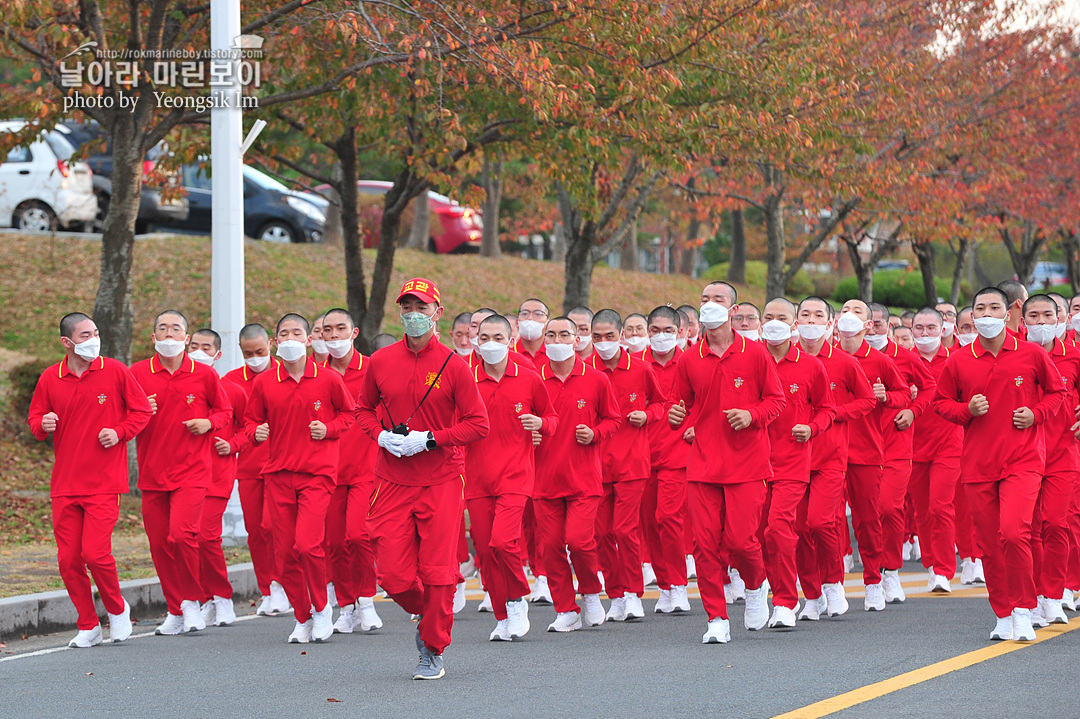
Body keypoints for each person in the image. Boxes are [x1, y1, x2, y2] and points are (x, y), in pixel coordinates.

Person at [355, 278, 489, 680]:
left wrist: (431, 439)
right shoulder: (380, 362)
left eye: (422, 307)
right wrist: (379, 435)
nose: (414, 314)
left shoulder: (454, 364)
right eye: (407, 307)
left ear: (437, 313)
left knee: (438, 571)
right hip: (392, 479)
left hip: (441, 479)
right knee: (392, 575)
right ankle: (424, 612)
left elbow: (478, 424)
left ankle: (433, 647)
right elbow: (361, 410)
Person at [933, 287, 1065, 642]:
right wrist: (966, 411)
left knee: (1014, 532)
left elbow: (1057, 394)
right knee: (990, 543)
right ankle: (1003, 613)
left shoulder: (1031, 354)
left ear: (1008, 314)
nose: (987, 314)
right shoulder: (959, 360)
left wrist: (1036, 414)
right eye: (980, 308)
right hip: (978, 464)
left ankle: (1024, 609)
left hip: (1023, 460)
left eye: (995, 307)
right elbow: (941, 403)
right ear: (972, 316)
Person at [28, 313, 153, 648]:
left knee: (95, 554)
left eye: (95, 332)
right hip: (65, 483)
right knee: (68, 560)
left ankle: (117, 609)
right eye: (85, 335)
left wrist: (120, 432)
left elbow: (142, 411)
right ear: (66, 343)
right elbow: (35, 420)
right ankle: (88, 625)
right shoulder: (50, 378)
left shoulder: (114, 370)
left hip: (103, 481)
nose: (93, 339)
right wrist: (45, 424)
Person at [669, 292, 785, 643]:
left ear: (733, 311)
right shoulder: (689, 359)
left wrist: (751, 415)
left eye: (718, 299)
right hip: (703, 465)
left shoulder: (755, 354)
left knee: (741, 542)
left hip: (747, 464)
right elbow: (682, 405)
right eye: (705, 298)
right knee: (704, 546)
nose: (710, 303)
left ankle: (755, 586)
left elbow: (777, 401)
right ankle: (716, 618)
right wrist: (677, 418)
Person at [244, 313, 357, 645]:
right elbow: (250, 422)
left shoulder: (328, 379)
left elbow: (349, 415)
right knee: (284, 554)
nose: (290, 338)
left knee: (307, 545)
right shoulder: (264, 382)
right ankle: (302, 616)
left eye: (297, 333)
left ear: (310, 340)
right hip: (278, 474)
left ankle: (323, 610)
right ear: (276, 342)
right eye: (284, 333)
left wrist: (329, 429)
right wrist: (256, 432)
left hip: (317, 474)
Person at [130, 310, 232, 636]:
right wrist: (140, 411)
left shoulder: (204, 375)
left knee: (182, 535)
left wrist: (209, 423)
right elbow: (123, 419)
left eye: (176, 329)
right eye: (163, 329)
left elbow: (225, 411)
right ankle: (176, 609)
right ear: (153, 337)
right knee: (160, 544)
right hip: (152, 472)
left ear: (186, 338)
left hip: (192, 471)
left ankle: (193, 600)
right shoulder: (136, 374)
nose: (169, 334)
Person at [466, 314, 557, 641]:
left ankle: (517, 599)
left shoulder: (529, 378)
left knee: (503, 542)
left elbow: (552, 419)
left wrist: (540, 425)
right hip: (476, 478)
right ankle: (502, 614)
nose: (490, 344)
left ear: (510, 339)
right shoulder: (466, 379)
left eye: (497, 338)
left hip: (515, 476)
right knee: (485, 551)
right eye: (484, 337)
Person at [533, 316, 622, 633]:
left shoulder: (596, 379)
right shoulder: (534, 379)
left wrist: (595, 433)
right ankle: (565, 610)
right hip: (543, 480)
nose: (557, 341)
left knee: (580, 542)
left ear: (577, 339)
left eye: (564, 335)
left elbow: (614, 420)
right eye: (551, 335)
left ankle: (590, 592)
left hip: (584, 478)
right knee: (552, 547)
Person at [793, 297, 876, 620]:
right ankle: (810, 595)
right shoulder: (784, 360)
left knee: (820, 522)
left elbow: (867, 400)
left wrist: (835, 414)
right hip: (792, 458)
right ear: (796, 322)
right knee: (797, 528)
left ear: (830, 324)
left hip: (830, 456)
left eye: (818, 316)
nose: (811, 320)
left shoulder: (843, 362)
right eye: (805, 315)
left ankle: (833, 584)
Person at [758, 299, 835, 628]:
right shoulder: (749, 362)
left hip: (792, 462)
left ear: (793, 325)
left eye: (782, 318)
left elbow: (828, 409)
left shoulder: (810, 366)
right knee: (758, 536)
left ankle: (786, 602)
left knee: (779, 529)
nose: (775, 323)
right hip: (751, 464)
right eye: (769, 317)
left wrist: (812, 427)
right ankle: (788, 593)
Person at [589, 309, 666, 622]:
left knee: (625, 530)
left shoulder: (640, 368)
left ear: (621, 336)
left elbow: (661, 404)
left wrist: (647, 415)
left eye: (610, 336)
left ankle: (634, 594)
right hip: (594, 465)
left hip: (632, 463)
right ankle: (616, 594)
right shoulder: (585, 371)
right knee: (601, 533)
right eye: (597, 337)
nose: (604, 343)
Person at [836, 299, 910, 612]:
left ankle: (875, 579)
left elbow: (905, 393)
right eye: (844, 311)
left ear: (869, 325)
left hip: (865, 450)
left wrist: (887, 397)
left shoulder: (878, 360)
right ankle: (831, 585)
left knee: (869, 521)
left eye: (857, 313)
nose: (849, 317)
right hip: (825, 451)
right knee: (825, 521)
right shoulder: (824, 357)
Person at [320, 309, 383, 634]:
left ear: (354, 332)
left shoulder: (374, 368)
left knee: (358, 536)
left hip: (366, 469)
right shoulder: (317, 375)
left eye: (340, 329)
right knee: (333, 543)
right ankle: (345, 607)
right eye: (327, 331)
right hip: (327, 472)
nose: (334, 336)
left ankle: (367, 600)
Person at [867, 303, 936, 602]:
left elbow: (930, 387)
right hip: (858, 448)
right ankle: (871, 575)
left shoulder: (904, 358)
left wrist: (912, 410)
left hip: (895, 443)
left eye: (878, 324)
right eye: (866, 324)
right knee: (867, 514)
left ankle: (891, 571)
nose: (872, 329)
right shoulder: (844, 358)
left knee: (890, 508)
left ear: (890, 327)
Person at [1021, 295, 1080, 625]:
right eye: (1034, 315)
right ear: (1023, 319)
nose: (1041, 321)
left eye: (1049, 315)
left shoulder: (1074, 355)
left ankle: (1054, 595)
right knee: (1026, 529)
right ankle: (1031, 598)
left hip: (1062, 452)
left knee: (1057, 524)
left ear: (1061, 318)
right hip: (1023, 454)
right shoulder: (1014, 353)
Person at [223, 323, 288, 616]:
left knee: (273, 526)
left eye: (260, 351)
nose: (255, 357)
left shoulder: (286, 373)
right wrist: (245, 438)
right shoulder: (231, 381)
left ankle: (284, 583)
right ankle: (268, 589)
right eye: (248, 353)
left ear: (271, 344)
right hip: (249, 466)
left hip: (283, 466)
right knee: (255, 532)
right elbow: (232, 423)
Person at [909, 309, 970, 592]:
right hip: (912, 445)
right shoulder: (904, 360)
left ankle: (944, 571)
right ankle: (932, 564)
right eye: (919, 328)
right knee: (922, 511)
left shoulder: (957, 360)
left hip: (949, 444)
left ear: (944, 327)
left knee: (940, 506)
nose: (925, 333)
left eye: (931, 328)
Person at [639, 306, 693, 614]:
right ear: (648, 332)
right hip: (641, 457)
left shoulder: (690, 363)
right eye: (655, 330)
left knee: (668, 517)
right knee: (649, 523)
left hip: (678, 454)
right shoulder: (635, 366)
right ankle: (664, 586)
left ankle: (679, 584)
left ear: (681, 332)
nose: (661, 336)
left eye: (668, 331)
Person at [188, 328, 243, 627]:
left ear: (218, 354)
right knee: (186, 538)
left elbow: (252, 426)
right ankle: (204, 598)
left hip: (217, 475)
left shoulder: (232, 390)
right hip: (183, 475)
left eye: (206, 347)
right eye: (194, 346)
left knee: (207, 537)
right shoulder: (181, 387)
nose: (199, 351)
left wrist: (232, 445)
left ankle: (222, 598)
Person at [513, 298, 551, 369]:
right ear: (517, 322)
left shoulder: (555, 354)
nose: (530, 318)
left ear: (548, 323)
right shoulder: (507, 354)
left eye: (538, 314)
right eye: (525, 313)